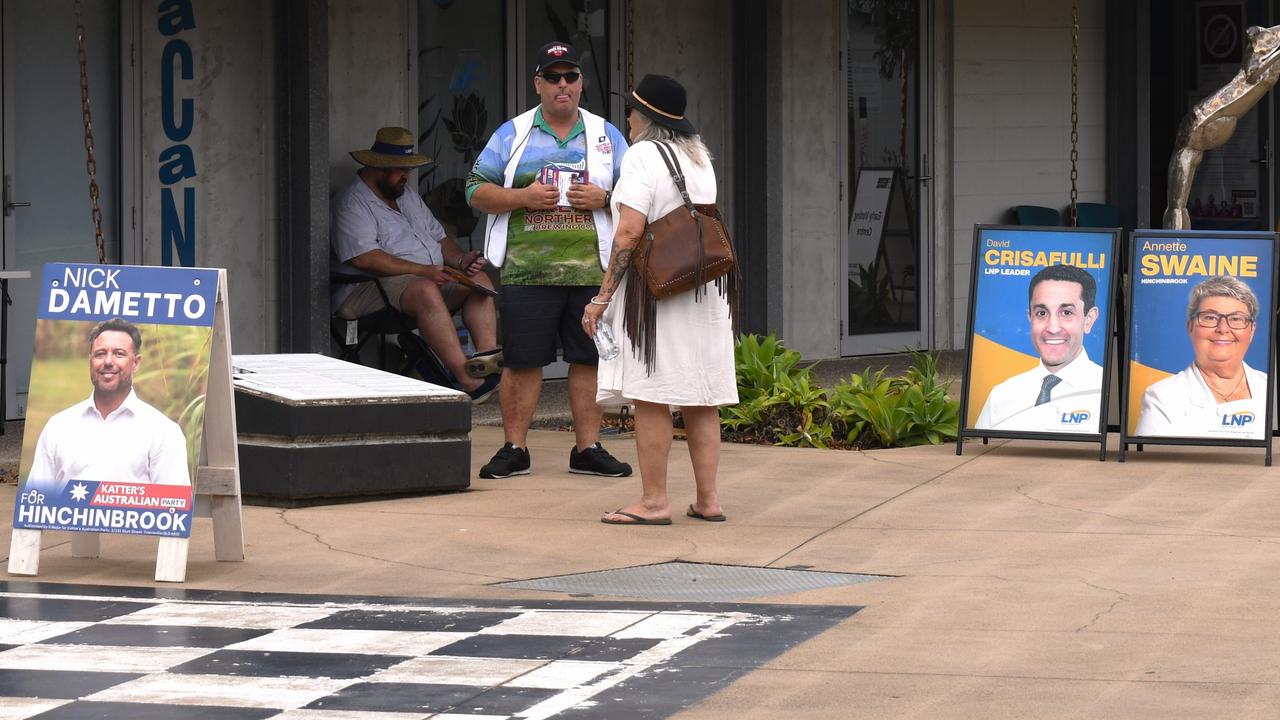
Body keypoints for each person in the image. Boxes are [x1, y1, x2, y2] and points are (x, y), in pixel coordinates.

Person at [467, 41, 632, 479]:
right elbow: (474, 189)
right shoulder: (512, 133)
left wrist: (605, 198)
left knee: (588, 360)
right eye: (553, 77)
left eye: (571, 76)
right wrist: (522, 197)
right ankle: (514, 448)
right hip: (525, 271)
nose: (563, 84)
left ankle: (588, 449)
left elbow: (638, 198)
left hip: (593, 273)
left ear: (582, 83)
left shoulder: (606, 135)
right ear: (538, 83)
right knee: (522, 361)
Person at [583, 74, 737, 525]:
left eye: (630, 110)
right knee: (700, 396)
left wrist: (601, 298)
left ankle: (653, 502)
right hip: (704, 288)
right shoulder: (700, 157)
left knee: (652, 394)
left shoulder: (641, 156)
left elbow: (629, 232)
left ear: (646, 116)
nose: (626, 117)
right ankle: (708, 500)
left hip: (659, 292)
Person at [332, 126, 502, 403]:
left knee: (480, 282)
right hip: (365, 290)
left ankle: (486, 364)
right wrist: (423, 271)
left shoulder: (406, 195)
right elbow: (365, 258)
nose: (406, 177)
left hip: (426, 281)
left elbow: (440, 238)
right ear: (377, 167)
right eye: (401, 169)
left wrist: (461, 260)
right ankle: (467, 379)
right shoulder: (352, 203)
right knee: (425, 290)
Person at [24, 319, 190, 495]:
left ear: (136, 363)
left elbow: (173, 510)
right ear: (90, 361)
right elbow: (36, 502)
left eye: (119, 354)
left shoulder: (163, 432)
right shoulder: (58, 427)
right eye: (100, 354)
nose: (108, 361)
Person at [975, 264, 1103, 433]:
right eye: (1042, 313)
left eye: (1066, 313)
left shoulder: (1106, 394)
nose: (1053, 327)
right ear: (1030, 317)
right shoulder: (1001, 395)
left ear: (1089, 320)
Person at [1135, 275, 1268, 439]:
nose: (1223, 328)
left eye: (1236, 319)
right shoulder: (1160, 398)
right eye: (1210, 318)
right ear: (1190, 327)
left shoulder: (1270, 389)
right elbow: (1149, 461)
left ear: (1252, 330)